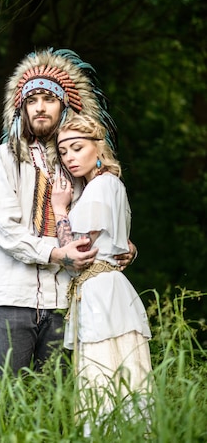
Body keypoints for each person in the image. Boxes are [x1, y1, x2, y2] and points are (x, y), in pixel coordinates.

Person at [0, 48, 137, 376]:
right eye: (31, 99)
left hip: (65, 301)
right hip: (13, 296)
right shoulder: (3, 158)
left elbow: (100, 217)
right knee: (10, 396)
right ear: (21, 107)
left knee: (52, 399)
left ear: (64, 105)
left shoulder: (76, 164)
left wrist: (123, 247)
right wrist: (55, 253)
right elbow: (2, 227)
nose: (40, 106)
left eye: (48, 98)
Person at [51, 113, 152, 431]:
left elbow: (75, 255)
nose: (69, 157)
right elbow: (118, 244)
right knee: (114, 379)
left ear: (99, 147)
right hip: (102, 290)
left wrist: (59, 209)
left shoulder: (102, 186)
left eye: (77, 148)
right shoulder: (106, 185)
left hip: (102, 294)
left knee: (105, 379)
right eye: (64, 151)